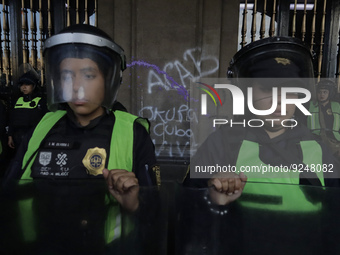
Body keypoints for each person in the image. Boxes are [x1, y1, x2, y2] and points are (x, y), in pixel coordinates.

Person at [3, 24, 160, 254]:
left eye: (88, 75)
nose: (76, 87)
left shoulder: (132, 132)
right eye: (67, 76)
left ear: (108, 79)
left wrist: (134, 203)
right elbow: (11, 191)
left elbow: (154, 214)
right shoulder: (43, 126)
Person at [181, 37, 340, 254]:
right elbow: (186, 217)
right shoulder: (222, 144)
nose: (279, 101)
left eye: (290, 91)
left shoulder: (318, 149)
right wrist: (213, 201)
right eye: (267, 89)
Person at [7, 68, 48, 150]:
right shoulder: (17, 101)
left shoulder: (41, 101)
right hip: (17, 137)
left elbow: (45, 121)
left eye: (28, 84)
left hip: (34, 136)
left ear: (34, 86)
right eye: (22, 84)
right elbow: (12, 119)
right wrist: (10, 136)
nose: (24, 87)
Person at [307, 79, 340, 159]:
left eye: (325, 92)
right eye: (319, 92)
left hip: (334, 141)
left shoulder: (337, 106)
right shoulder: (310, 105)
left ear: (330, 93)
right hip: (314, 140)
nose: (321, 95)